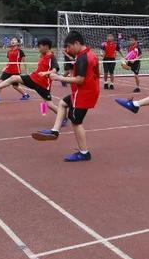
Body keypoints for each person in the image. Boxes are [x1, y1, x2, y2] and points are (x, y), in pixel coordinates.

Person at [33, 31, 100, 162]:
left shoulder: (83, 58)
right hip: (87, 91)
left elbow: (80, 80)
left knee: (76, 122)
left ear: (76, 43)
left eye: (69, 46)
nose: (68, 50)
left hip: (83, 94)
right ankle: (55, 131)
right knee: (63, 103)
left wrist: (59, 77)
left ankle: (84, 152)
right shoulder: (90, 54)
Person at [0, 37, 60, 114]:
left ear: (46, 46)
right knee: (13, 78)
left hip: (43, 85)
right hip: (33, 79)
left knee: (49, 105)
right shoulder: (43, 55)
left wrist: (45, 73)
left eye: (40, 47)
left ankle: (63, 116)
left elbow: (55, 69)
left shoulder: (51, 57)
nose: (38, 49)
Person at [0, 37, 29, 103]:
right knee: (1, 83)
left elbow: (24, 61)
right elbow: (9, 61)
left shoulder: (20, 51)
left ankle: (25, 95)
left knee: (15, 86)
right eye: (12, 40)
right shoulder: (9, 51)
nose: (12, 41)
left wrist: (27, 70)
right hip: (8, 70)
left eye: (14, 40)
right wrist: (5, 67)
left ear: (17, 43)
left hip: (15, 71)